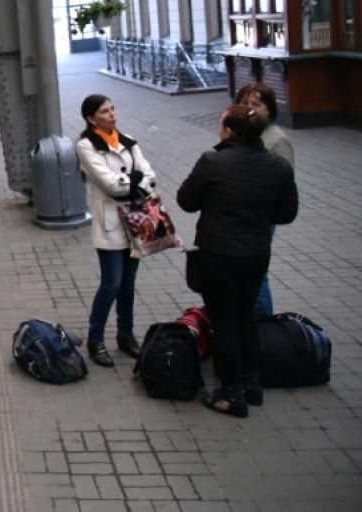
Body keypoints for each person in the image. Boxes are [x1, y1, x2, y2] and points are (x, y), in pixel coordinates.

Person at [177, 105, 298, 417]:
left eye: (221, 125)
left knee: (225, 322)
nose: (219, 130)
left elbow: (186, 201)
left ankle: (231, 393)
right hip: (256, 254)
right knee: (246, 316)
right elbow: (287, 214)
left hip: (219, 255)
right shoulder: (278, 166)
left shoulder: (213, 161)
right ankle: (252, 383)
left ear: (230, 131)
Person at [74, 94, 157, 368]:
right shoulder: (86, 146)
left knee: (129, 284)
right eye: (105, 111)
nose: (112, 114)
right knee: (112, 283)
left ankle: (126, 334)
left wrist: (133, 182)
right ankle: (95, 339)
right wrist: (135, 181)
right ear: (91, 118)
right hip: (110, 224)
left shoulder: (128, 140)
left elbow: (150, 176)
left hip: (135, 222)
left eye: (112, 108)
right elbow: (110, 185)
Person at [233, 82, 294, 317]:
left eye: (256, 105)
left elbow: (284, 186)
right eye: (244, 103)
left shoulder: (277, 140)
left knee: (257, 274)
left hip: (260, 218)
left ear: (269, 109)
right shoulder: (239, 133)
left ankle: (264, 328)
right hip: (237, 215)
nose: (249, 109)